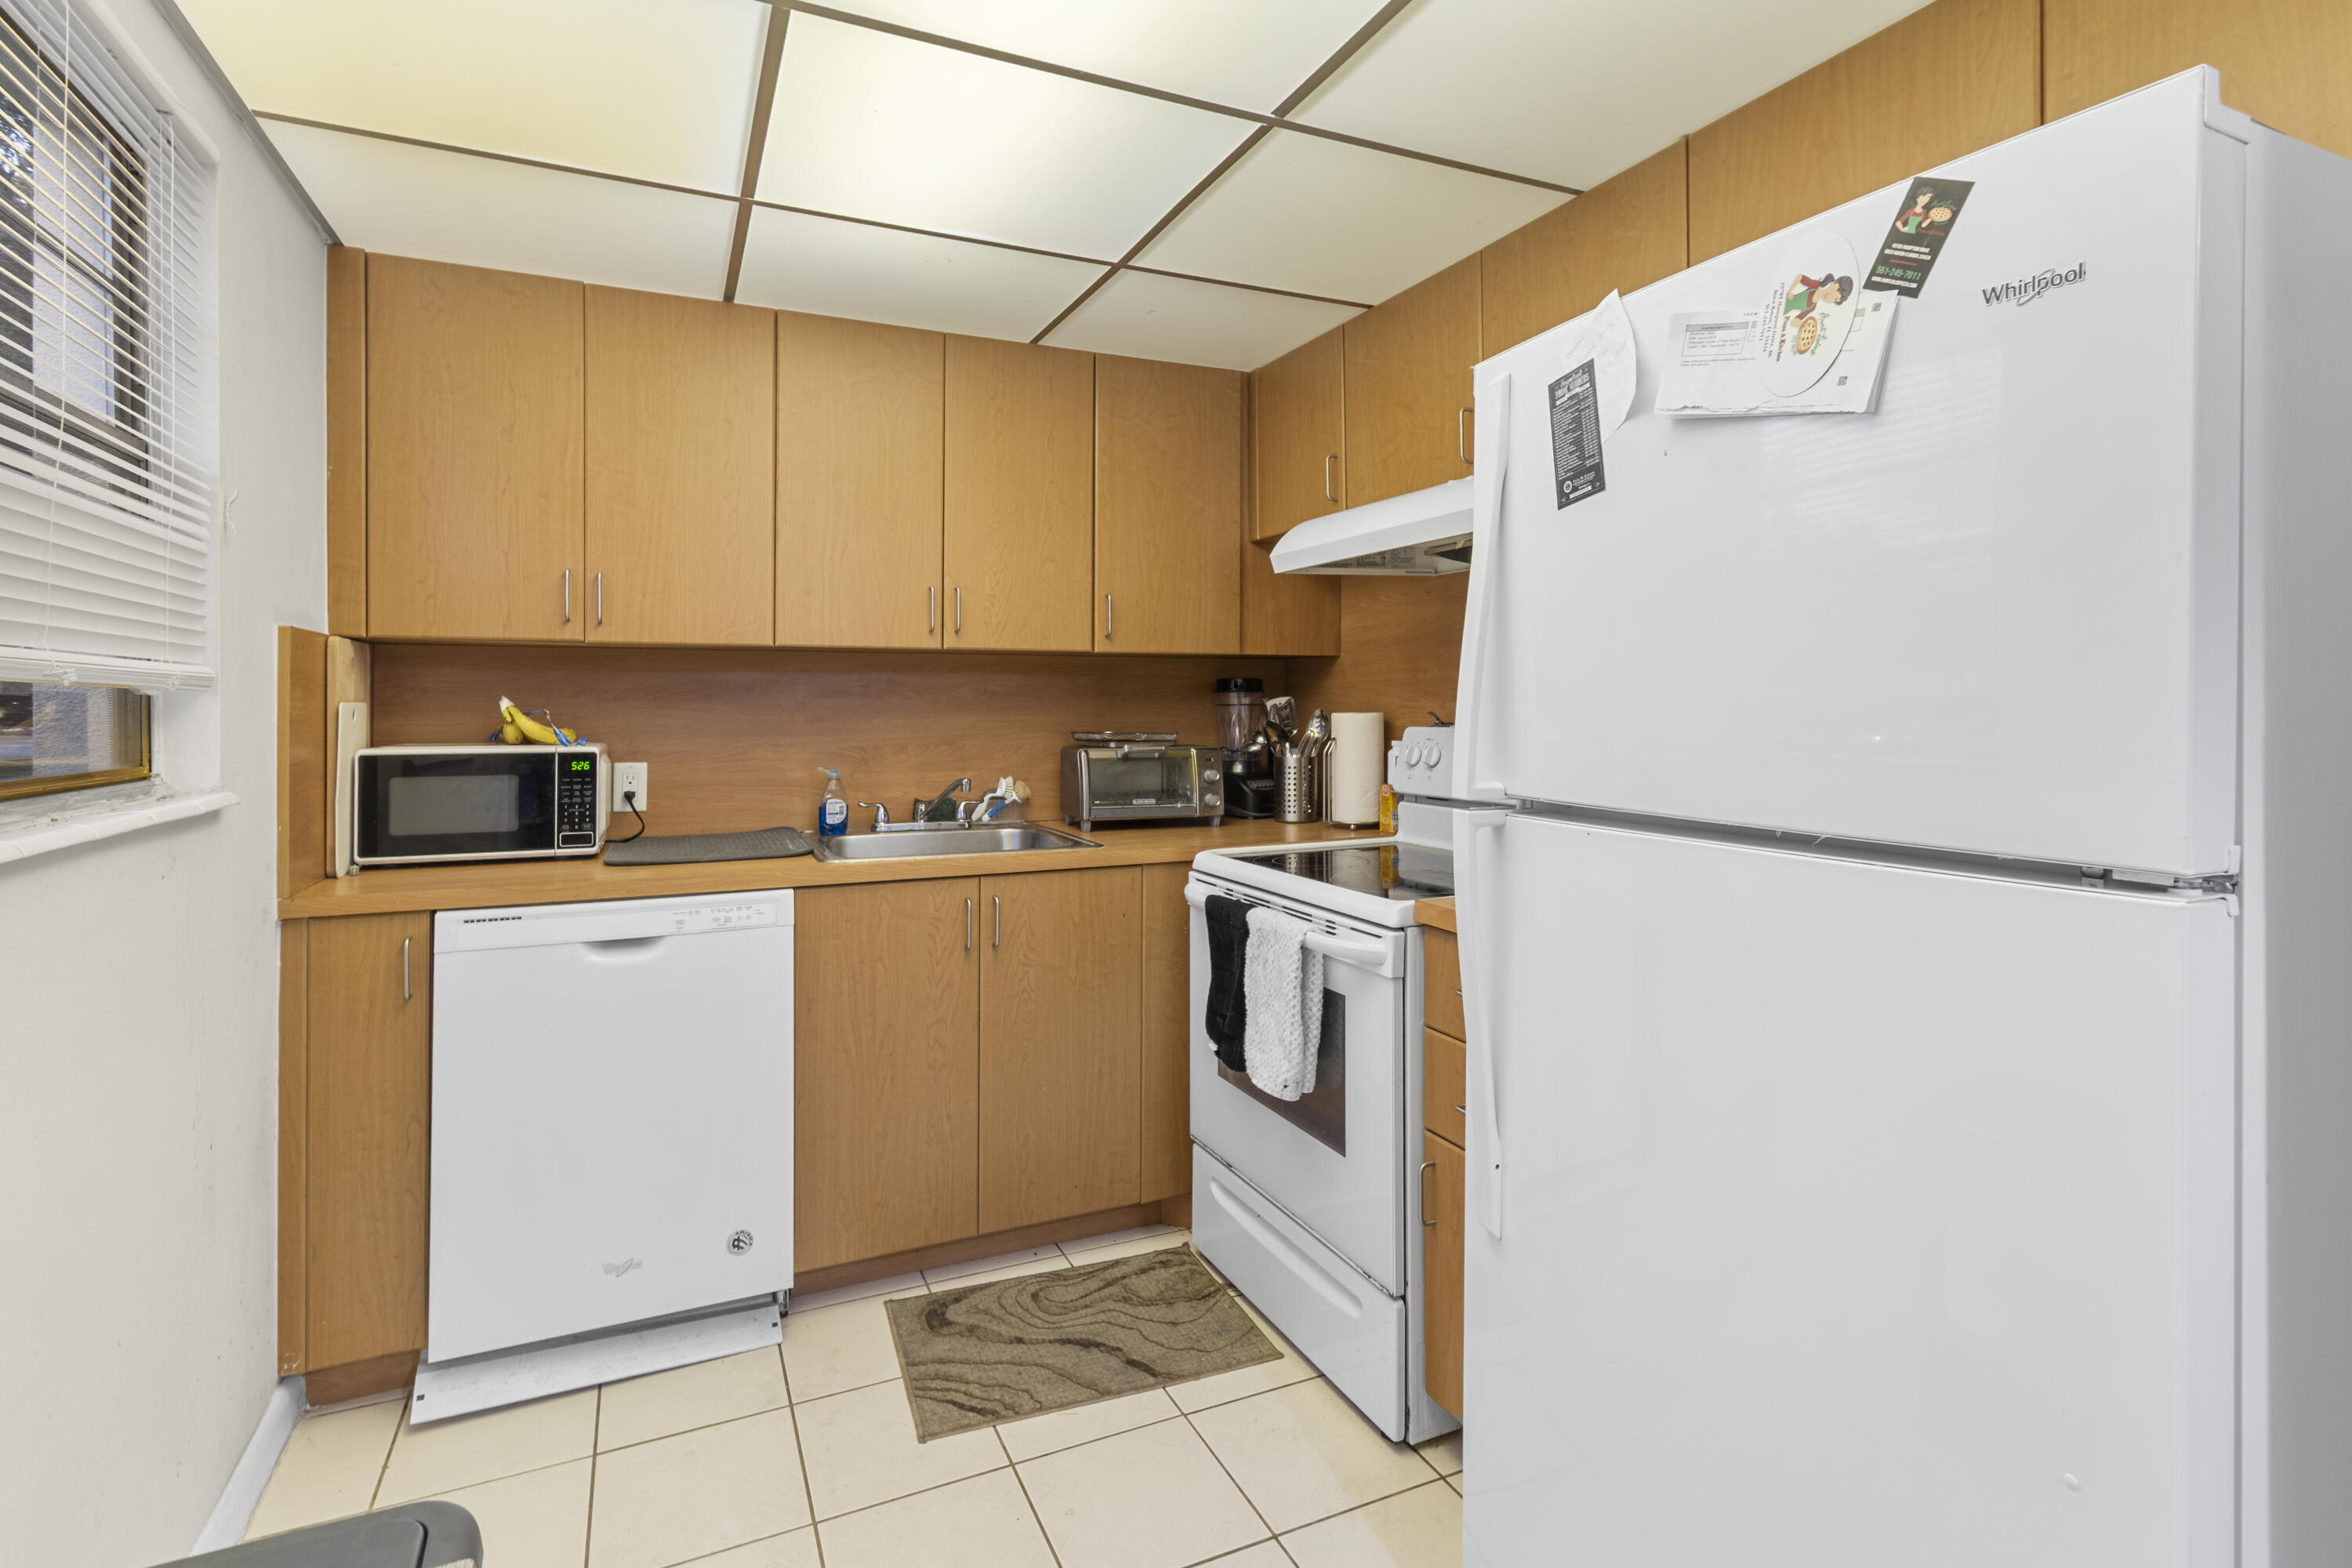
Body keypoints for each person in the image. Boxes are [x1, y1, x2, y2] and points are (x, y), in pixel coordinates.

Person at [1784, 272, 1851, 319]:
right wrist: (1790, 291)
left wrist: (1798, 323)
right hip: (1783, 299)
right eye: (1835, 296)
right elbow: (1800, 277)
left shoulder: (1812, 308)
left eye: (1835, 299)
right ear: (1834, 283)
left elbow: (1797, 320)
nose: (1831, 299)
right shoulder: (1814, 285)